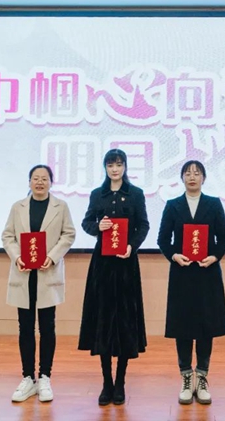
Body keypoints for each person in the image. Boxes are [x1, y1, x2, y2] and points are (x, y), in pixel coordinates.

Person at [78, 149, 150, 406]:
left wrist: (132, 245)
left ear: (125, 166)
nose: (115, 169)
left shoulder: (136, 194)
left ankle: (120, 382)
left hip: (126, 264)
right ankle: (106, 382)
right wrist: (98, 227)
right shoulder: (98, 194)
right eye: (110, 165)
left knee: (124, 321)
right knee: (104, 320)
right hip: (103, 265)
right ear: (105, 168)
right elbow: (86, 222)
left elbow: (143, 225)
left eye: (119, 164)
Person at [157, 160, 225, 405]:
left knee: (206, 326)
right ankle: (186, 377)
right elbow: (163, 239)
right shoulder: (173, 205)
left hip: (207, 273)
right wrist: (174, 255)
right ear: (182, 178)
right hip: (182, 273)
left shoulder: (214, 204)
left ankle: (203, 376)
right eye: (188, 173)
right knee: (183, 326)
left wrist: (215, 256)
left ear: (204, 178)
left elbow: (223, 238)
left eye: (197, 173)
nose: (192, 177)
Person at [2, 165, 76, 403]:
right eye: (36, 178)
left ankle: (44, 376)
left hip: (47, 273)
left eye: (44, 178)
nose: (40, 182)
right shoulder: (18, 207)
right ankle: (27, 377)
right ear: (29, 182)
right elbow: (7, 236)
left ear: (51, 182)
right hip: (24, 273)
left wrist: (52, 257)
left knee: (47, 327)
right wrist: (17, 257)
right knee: (25, 327)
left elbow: (68, 234)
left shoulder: (60, 207)